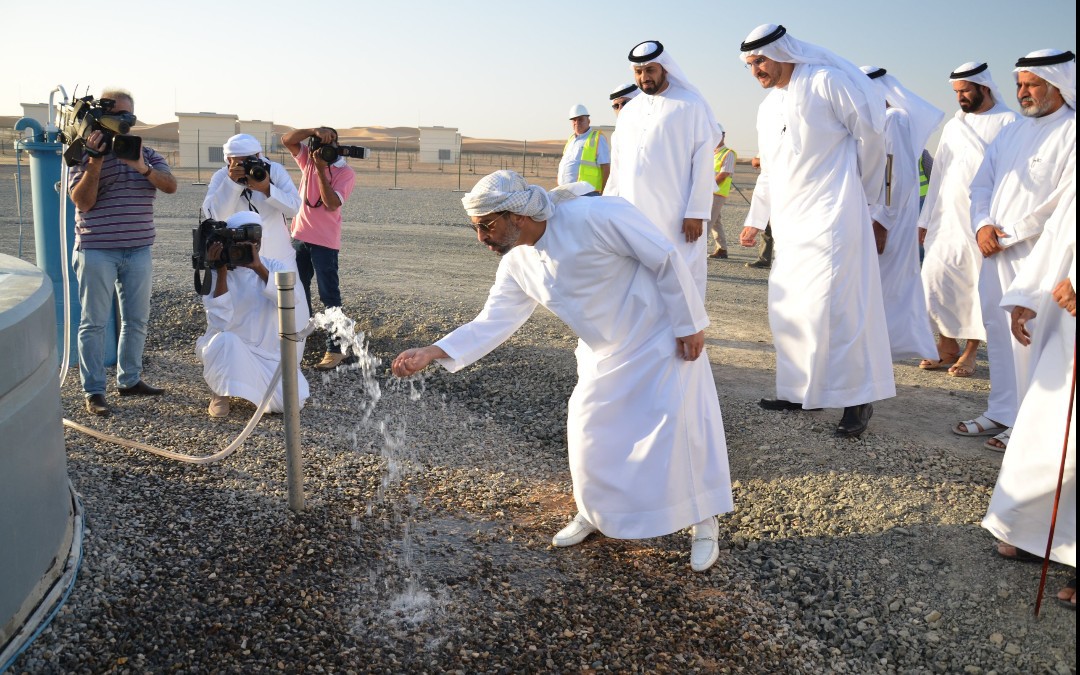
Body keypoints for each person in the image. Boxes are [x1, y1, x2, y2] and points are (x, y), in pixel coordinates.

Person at [391, 171, 733, 573]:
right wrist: (433, 351)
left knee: (680, 429)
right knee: (588, 430)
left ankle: (702, 520)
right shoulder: (517, 261)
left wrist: (689, 323)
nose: (481, 237)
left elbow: (664, 256)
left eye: (487, 226)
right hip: (601, 353)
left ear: (517, 215)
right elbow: (494, 320)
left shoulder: (595, 215)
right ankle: (596, 512)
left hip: (658, 337)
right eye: (476, 228)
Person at [737, 23, 894, 438]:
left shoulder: (827, 81)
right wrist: (756, 218)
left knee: (835, 308)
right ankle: (799, 391)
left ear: (784, 52)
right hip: (790, 223)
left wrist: (868, 195)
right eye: (750, 64)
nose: (756, 70)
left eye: (761, 60)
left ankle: (857, 400)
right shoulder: (768, 106)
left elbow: (872, 134)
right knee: (790, 307)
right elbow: (770, 169)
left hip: (834, 215)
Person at [957, 49, 1076, 452]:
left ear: (1057, 85)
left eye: (1032, 85)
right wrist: (982, 224)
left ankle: (1028, 424)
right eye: (1020, 85)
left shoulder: (1072, 131)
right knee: (997, 331)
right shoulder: (1010, 132)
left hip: (1038, 255)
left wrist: (1005, 234)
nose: (1023, 93)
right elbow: (981, 185)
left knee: (1030, 337)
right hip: (993, 252)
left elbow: (1061, 203)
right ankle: (1001, 410)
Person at [981, 183, 1075, 610]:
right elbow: (1061, 228)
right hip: (1068, 313)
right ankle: (1036, 531)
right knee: (1050, 426)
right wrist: (1029, 295)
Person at [68, 88, 178, 416]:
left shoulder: (145, 151)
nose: (122, 122)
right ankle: (94, 392)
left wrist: (142, 167)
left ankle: (129, 381)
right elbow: (83, 201)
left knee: (136, 319)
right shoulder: (85, 155)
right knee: (94, 323)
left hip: (139, 250)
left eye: (127, 116)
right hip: (97, 250)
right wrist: (97, 161)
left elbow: (171, 185)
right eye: (116, 115)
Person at [918, 61, 1019, 379]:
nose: (960, 97)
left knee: (976, 285)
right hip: (945, 219)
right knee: (936, 280)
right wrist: (924, 219)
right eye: (956, 92)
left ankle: (971, 351)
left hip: (983, 219)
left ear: (984, 87)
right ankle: (946, 345)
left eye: (965, 91)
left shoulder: (1009, 121)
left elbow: (1012, 178)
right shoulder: (953, 125)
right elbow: (938, 176)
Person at [605, 40, 720, 301]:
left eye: (650, 70)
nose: (644, 77)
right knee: (635, 276)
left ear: (664, 69)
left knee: (680, 274)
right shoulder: (629, 111)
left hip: (676, 214)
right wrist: (609, 207)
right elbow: (619, 165)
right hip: (633, 210)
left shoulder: (689, 105)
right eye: (639, 72)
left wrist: (696, 212)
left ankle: (683, 335)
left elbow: (703, 161)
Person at [861, 66, 943, 362]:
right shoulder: (874, 120)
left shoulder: (893, 118)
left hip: (888, 218)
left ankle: (892, 345)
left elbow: (894, 174)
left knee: (892, 283)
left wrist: (882, 220)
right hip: (878, 214)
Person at [196, 211, 310, 418]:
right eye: (241, 243)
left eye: (253, 242)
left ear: (259, 242)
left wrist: (259, 268)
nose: (247, 248)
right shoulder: (217, 272)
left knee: (291, 404)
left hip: (267, 353)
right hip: (230, 349)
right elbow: (218, 320)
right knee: (225, 340)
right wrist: (221, 271)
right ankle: (220, 392)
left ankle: (245, 387)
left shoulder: (275, 266)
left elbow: (291, 300)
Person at [281, 126, 358, 371]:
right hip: (299, 236)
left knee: (329, 296)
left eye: (330, 142)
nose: (325, 146)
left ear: (338, 145)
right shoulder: (309, 160)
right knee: (298, 291)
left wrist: (323, 170)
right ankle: (305, 334)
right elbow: (287, 140)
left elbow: (332, 203)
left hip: (325, 241)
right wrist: (313, 130)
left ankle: (336, 348)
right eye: (321, 142)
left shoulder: (345, 172)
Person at [202, 134, 302, 265]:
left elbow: (294, 209)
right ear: (229, 160)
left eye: (249, 160)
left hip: (279, 255)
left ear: (258, 156)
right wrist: (232, 183)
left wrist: (267, 189)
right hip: (239, 256)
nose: (246, 166)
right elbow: (216, 216)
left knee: (285, 285)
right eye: (240, 162)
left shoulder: (274, 171)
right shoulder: (221, 177)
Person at [557, 105, 610, 192]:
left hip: (587, 193)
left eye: (580, 119)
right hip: (565, 191)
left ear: (588, 121)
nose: (577, 122)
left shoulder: (597, 138)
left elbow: (606, 168)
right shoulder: (571, 140)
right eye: (574, 120)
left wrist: (604, 193)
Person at [708, 123, 737, 259]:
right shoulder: (711, 153)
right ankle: (722, 249)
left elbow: (724, 173)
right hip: (709, 191)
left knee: (707, 220)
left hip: (717, 193)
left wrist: (708, 186)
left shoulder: (728, 153)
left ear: (722, 136)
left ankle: (696, 249)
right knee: (716, 221)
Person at [745, 156, 773, 269]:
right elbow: (755, 161)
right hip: (768, 190)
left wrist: (764, 161)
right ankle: (764, 259)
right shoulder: (767, 140)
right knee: (766, 228)